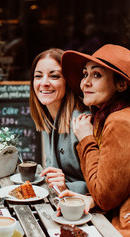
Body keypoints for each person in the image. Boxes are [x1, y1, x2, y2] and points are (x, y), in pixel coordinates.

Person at [59, 44, 130, 237]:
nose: (85, 82)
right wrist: (92, 200)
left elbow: (105, 197)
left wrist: (86, 139)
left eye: (97, 75)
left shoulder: (120, 122)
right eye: (85, 74)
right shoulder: (116, 117)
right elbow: (115, 185)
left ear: (121, 85)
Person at [29, 48, 89, 194]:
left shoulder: (83, 122)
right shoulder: (48, 119)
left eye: (54, 76)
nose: (44, 83)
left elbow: (105, 187)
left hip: (90, 211)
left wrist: (69, 187)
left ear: (68, 81)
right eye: (38, 76)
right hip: (60, 203)